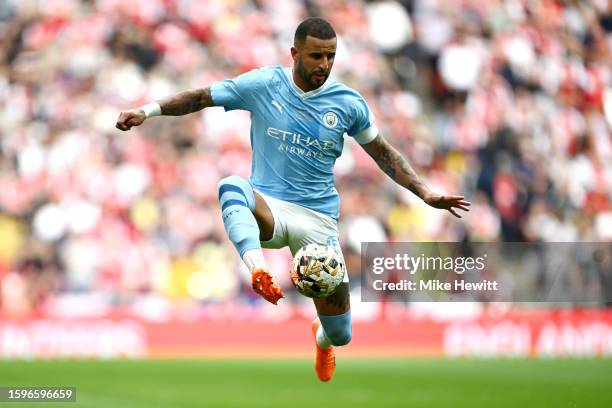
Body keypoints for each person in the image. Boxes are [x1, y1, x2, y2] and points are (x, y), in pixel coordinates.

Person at [116, 17, 470, 382]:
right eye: (316, 56)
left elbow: (382, 152)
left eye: (331, 56)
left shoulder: (348, 104)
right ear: (295, 53)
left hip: (318, 223)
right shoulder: (264, 84)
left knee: (342, 334)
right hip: (269, 207)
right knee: (231, 185)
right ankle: (257, 269)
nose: (324, 65)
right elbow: (201, 97)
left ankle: (321, 339)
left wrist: (424, 191)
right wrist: (147, 111)